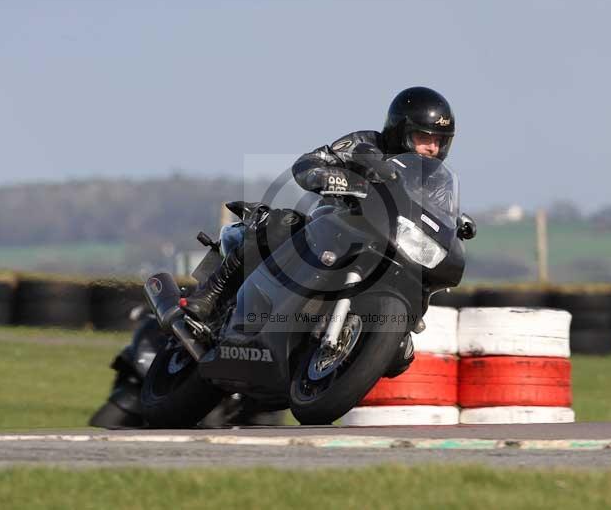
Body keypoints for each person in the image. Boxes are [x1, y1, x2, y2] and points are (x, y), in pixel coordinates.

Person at [181, 86, 474, 376]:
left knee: (403, 341)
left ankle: (386, 337)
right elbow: (310, 163)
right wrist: (328, 175)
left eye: (439, 141)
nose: (432, 148)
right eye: (424, 138)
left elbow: (442, 216)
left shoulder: (437, 183)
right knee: (280, 223)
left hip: (389, 246)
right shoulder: (365, 144)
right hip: (337, 224)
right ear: (400, 130)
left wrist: (456, 226)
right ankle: (212, 294)